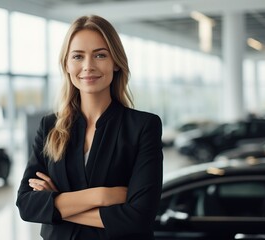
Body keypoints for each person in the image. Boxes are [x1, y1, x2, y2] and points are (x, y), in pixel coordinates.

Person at [16, 14, 163, 240]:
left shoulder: (143, 126)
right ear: (66, 64)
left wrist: (55, 203)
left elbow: (139, 217)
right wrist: (102, 196)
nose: (88, 66)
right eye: (78, 56)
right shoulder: (49, 127)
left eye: (100, 55)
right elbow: (26, 204)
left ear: (116, 62)